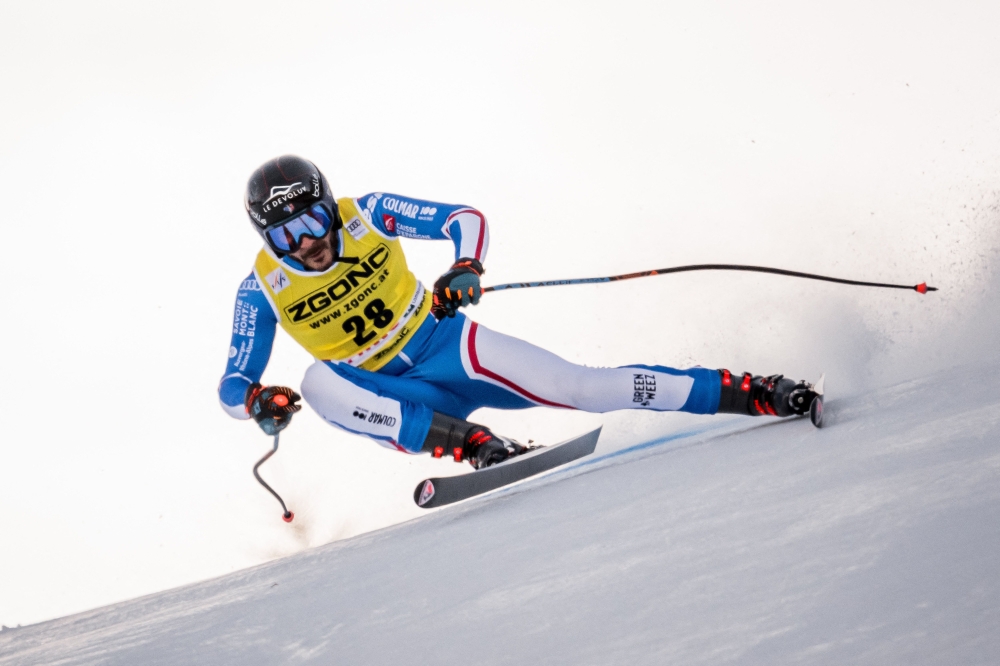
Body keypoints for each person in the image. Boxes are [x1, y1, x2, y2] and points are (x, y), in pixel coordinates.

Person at [219, 155, 818, 469]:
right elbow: (230, 386)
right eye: (285, 236)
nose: (306, 244)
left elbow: (463, 219)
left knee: (585, 385)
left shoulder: (368, 212)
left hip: (446, 347)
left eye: (313, 222)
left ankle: (757, 392)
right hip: (393, 400)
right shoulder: (261, 288)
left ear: (328, 205)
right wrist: (255, 402)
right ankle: (475, 443)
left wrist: (465, 267)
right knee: (317, 383)